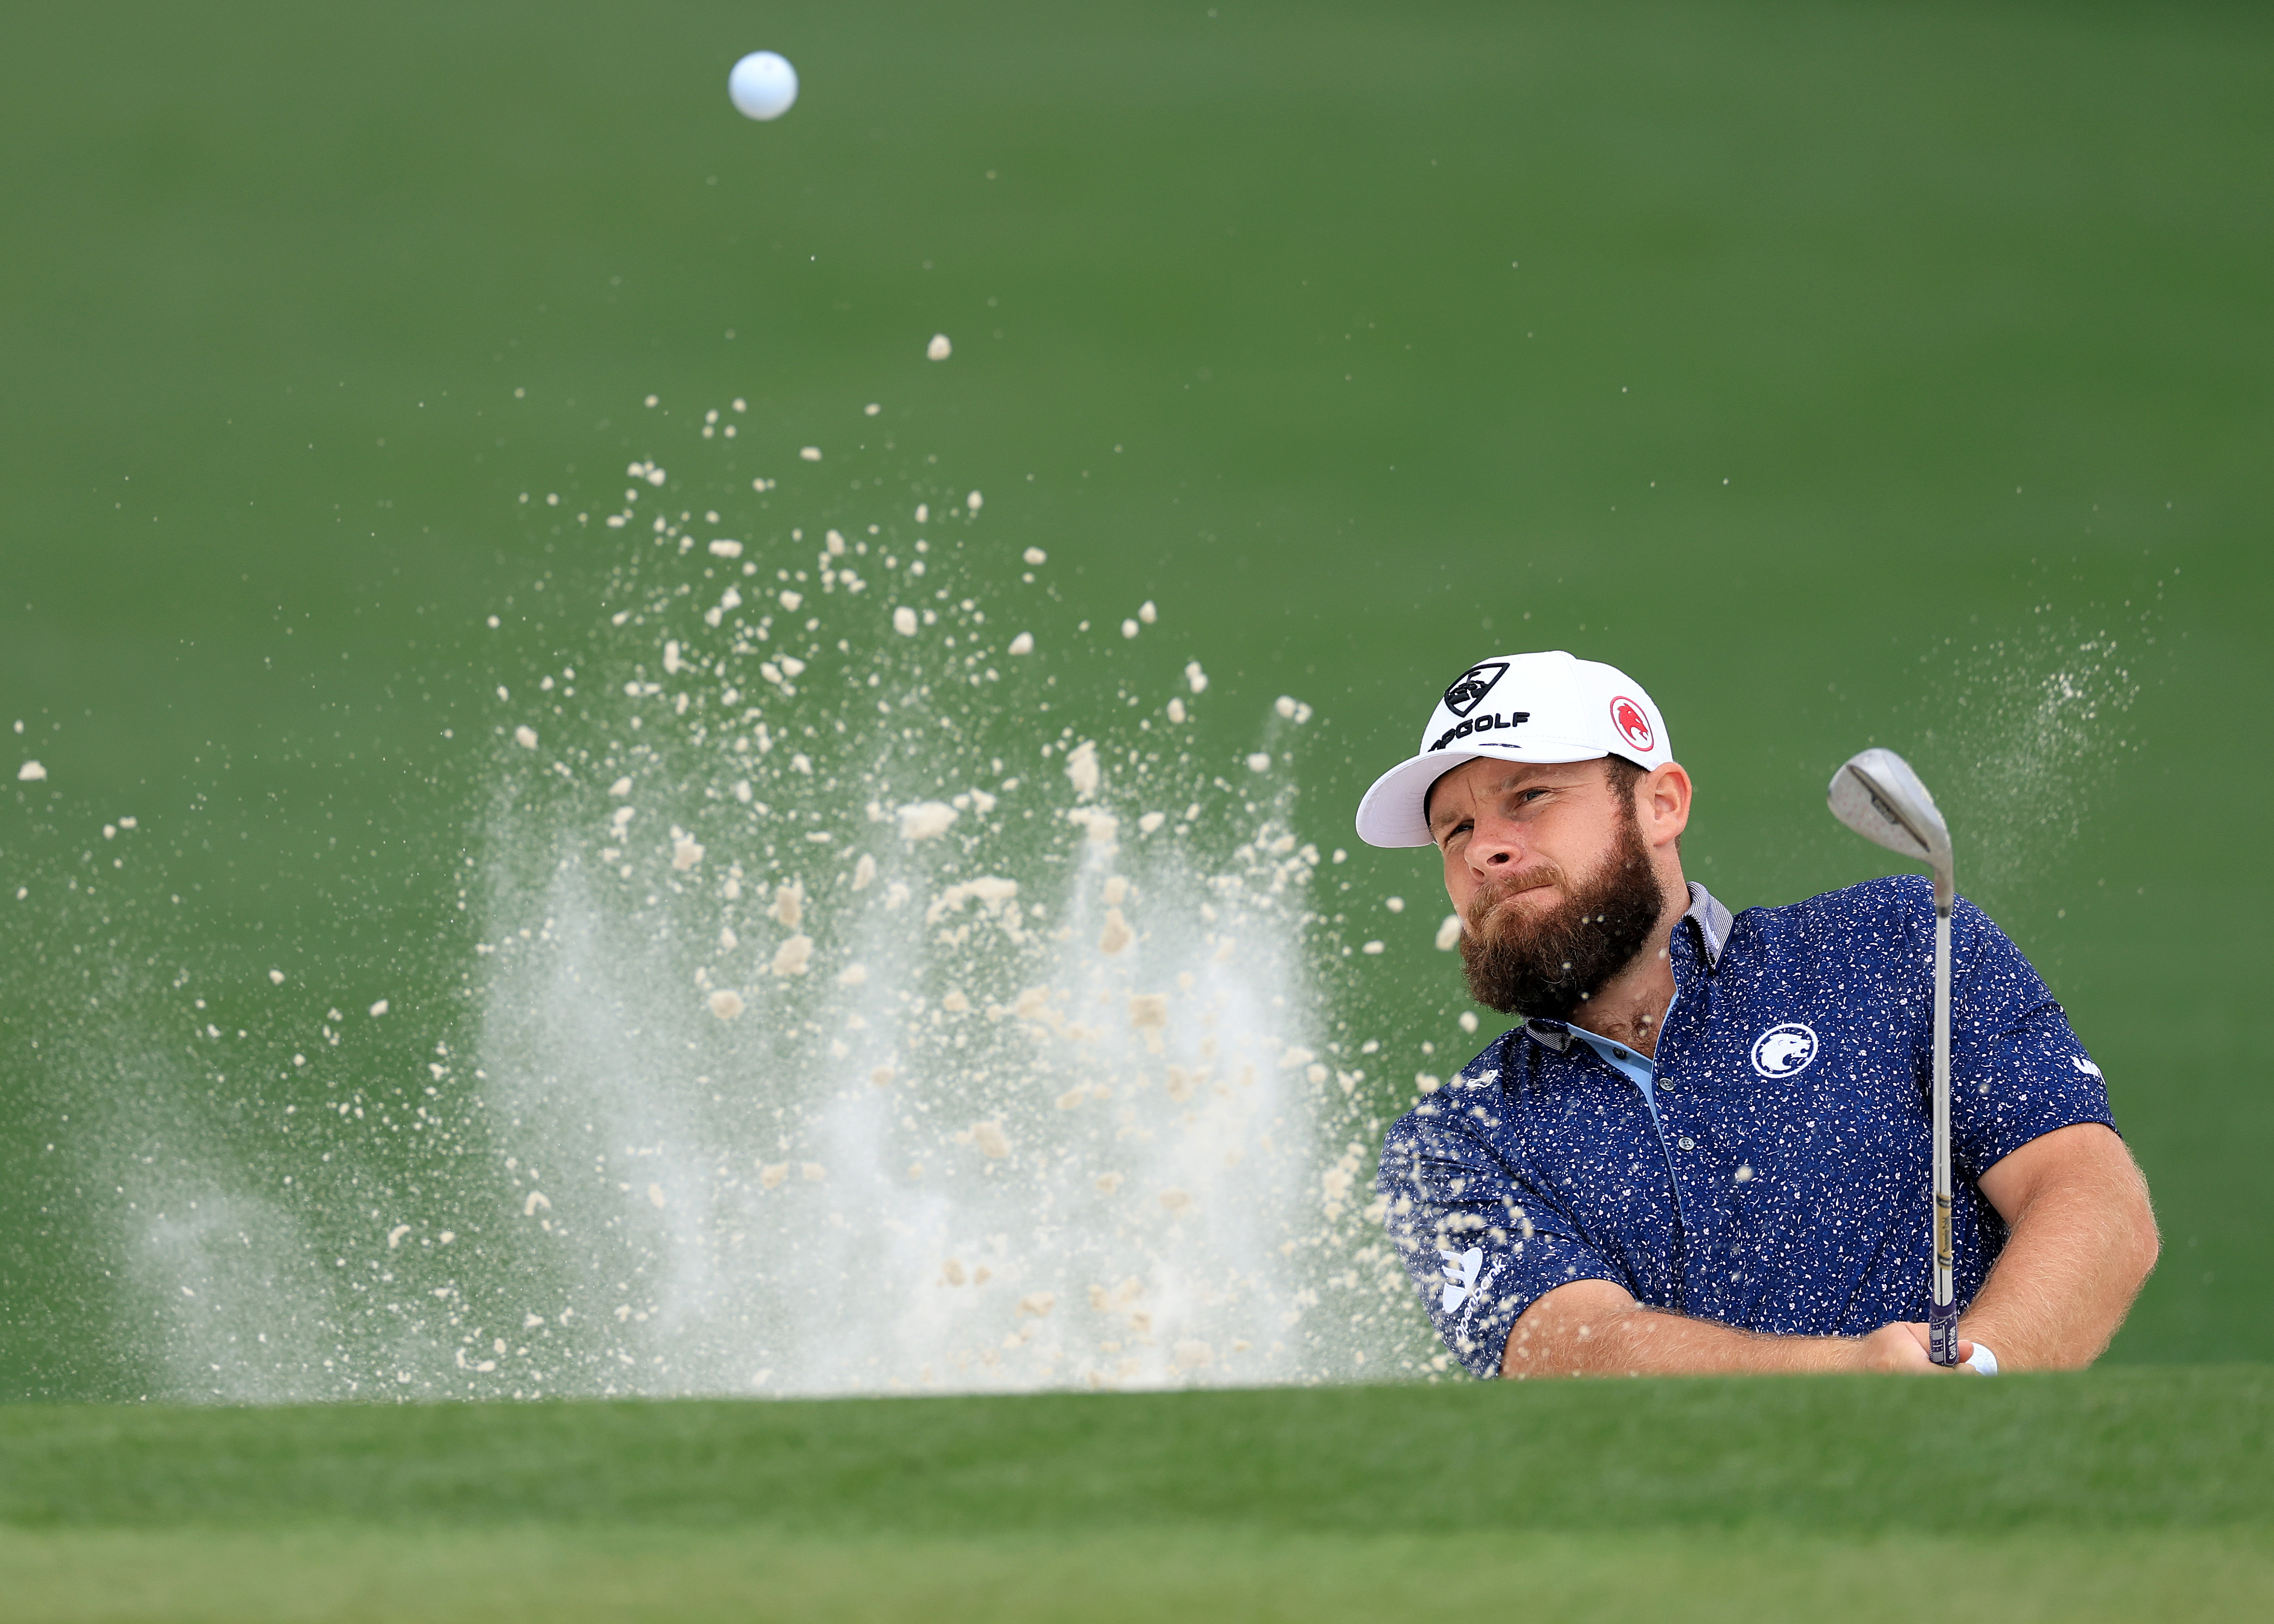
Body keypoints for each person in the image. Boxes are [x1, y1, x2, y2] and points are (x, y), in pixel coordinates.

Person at [1356, 651, 2158, 1378]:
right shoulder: (1456, 1139)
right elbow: (1569, 1349)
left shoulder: (1898, 941)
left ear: (1661, 804)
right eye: (1454, 829)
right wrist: (1853, 1384)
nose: (1483, 850)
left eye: (1528, 798)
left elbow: (2091, 1197)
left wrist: (1984, 1374)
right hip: (1683, 1538)